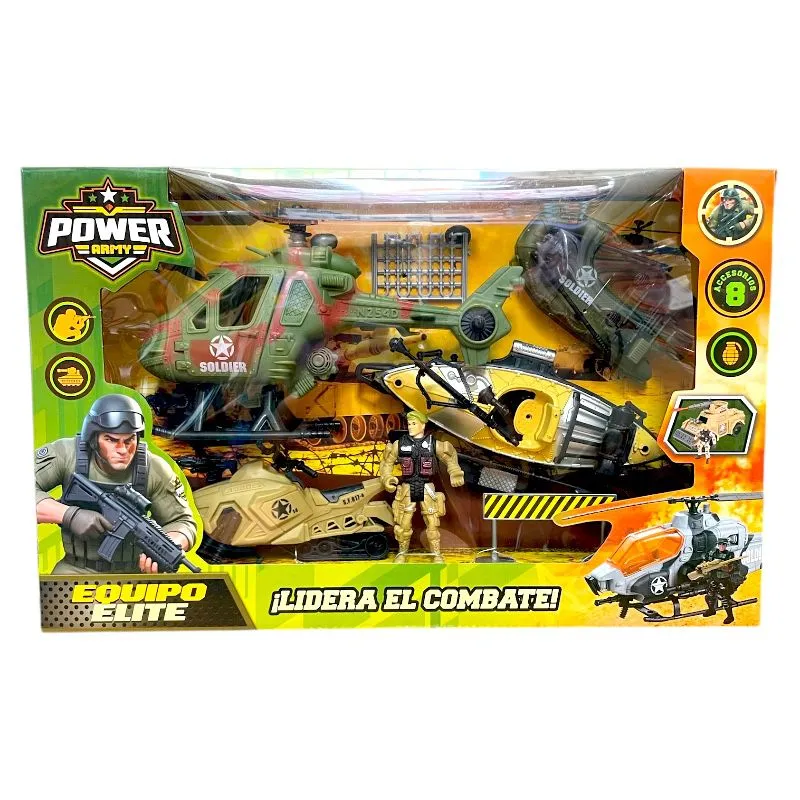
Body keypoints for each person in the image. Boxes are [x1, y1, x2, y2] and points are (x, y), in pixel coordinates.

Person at [35, 393, 196, 574]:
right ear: (93, 438)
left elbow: (182, 521)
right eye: (111, 440)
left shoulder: (154, 468)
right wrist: (69, 515)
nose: (122, 450)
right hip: (76, 568)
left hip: (135, 574)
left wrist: (170, 544)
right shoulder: (67, 454)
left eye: (129, 440)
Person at [379, 410, 464, 563]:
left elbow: (449, 456)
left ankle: (436, 554)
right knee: (404, 523)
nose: (410, 426)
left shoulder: (433, 444)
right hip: (407, 487)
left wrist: (455, 472)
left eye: (414, 423)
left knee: (432, 522)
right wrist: (386, 478)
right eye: (409, 424)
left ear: (423, 425)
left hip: (427, 487)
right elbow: (387, 462)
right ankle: (402, 553)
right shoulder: (400, 444)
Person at [702, 538, 737, 624]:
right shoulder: (713, 553)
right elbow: (705, 560)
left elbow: (730, 569)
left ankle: (730, 616)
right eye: (720, 544)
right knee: (709, 596)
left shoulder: (729, 555)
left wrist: (720, 566)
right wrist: (705, 565)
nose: (721, 546)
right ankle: (711, 610)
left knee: (724, 599)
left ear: (726, 545)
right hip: (714, 578)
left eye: (723, 544)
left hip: (723, 580)